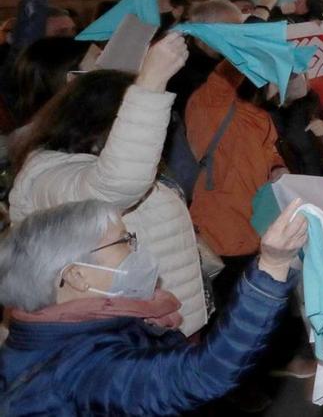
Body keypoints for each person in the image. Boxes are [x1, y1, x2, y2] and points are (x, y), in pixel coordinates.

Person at [0, 198, 307, 415]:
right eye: (124, 241)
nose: (137, 249)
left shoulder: (65, 329)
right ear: (77, 275)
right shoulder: (78, 371)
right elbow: (201, 374)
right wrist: (271, 267)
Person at [8, 34, 209, 335]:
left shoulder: (93, 160)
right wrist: (150, 85)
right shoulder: (46, 174)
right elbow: (115, 187)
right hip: (122, 341)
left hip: (161, 327)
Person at [186, 57, 286, 307]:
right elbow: (224, 75)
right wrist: (251, 41)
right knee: (227, 313)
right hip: (221, 232)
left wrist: (277, 166)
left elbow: (268, 151)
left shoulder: (259, 117)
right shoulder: (211, 106)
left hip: (256, 229)